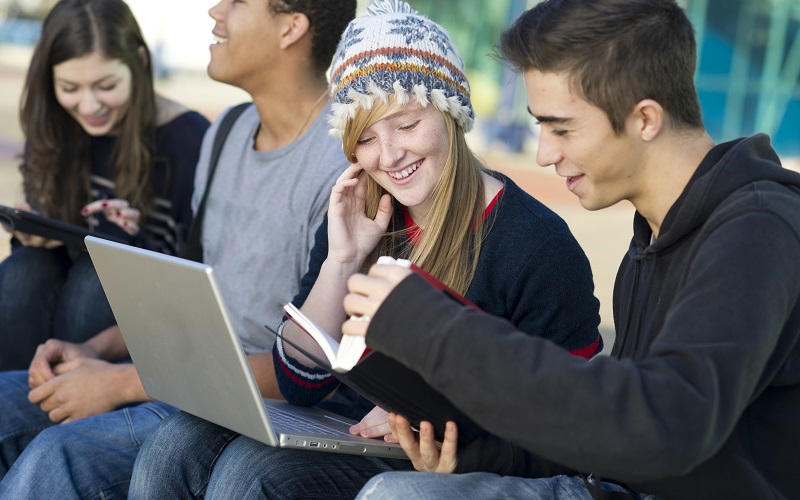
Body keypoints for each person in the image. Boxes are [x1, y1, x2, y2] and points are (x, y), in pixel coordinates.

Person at [129, 2, 603, 498]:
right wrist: (343, 260)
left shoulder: (537, 245)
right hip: (349, 428)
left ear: (450, 113)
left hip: (450, 457)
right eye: (366, 138)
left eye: (406, 124)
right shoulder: (365, 210)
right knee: (174, 443)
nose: (389, 155)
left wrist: (431, 422)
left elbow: (567, 426)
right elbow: (299, 383)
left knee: (253, 473)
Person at [340, 0, 800, 499]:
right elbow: (614, 430)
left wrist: (435, 328)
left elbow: (665, 427)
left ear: (645, 118)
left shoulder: (757, 227)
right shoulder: (656, 233)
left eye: (561, 128)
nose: (544, 153)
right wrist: (471, 454)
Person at [0, 0, 355, 497]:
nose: (215, 12)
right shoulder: (228, 132)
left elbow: (307, 370)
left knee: (58, 458)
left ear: (291, 28)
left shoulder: (345, 160)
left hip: (254, 405)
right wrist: (92, 351)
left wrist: (119, 382)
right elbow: (188, 302)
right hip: (179, 379)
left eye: (237, 3)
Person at [0, 0, 210, 371]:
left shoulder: (189, 139)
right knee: (22, 269)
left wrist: (130, 242)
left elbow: (189, 278)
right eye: (69, 87)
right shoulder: (52, 121)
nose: (89, 105)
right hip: (52, 284)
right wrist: (33, 230)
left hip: (134, 320)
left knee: (95, 277)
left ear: (140, 64)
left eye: (106, 85)